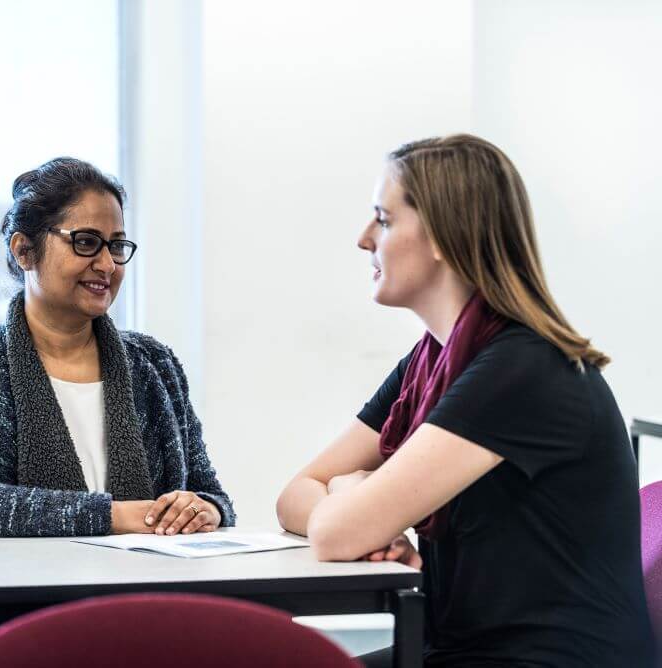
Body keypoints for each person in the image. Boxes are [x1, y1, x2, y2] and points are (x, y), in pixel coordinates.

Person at [276, 135, 653, 667]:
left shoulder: (523, 370)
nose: (364, 240)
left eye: (383, 220)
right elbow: (294, 496)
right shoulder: (428, 365)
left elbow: (335, 532)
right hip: (460, 648)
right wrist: (359, 497)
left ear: (443, 235)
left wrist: (362, 503)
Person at [0, 157, 235, 668]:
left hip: (153, 627)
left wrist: (205, 509)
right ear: (24, 250)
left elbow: (210, 490)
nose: (107, 264)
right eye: (85, 242)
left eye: (117, 246)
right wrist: (110, 517)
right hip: (18, 640)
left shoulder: (154, 364)